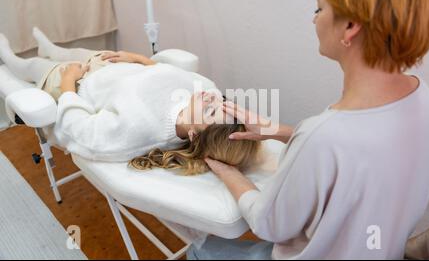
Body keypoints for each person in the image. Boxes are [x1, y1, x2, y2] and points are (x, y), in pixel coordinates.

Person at [188, 0, 429, 259]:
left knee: (199, 254)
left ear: (349, 27)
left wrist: (227, 171)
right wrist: (279, 131)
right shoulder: (422, 98)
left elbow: (269, 225)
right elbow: (357, 154)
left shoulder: (323, 137)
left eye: (319, 9)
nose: (314, 20)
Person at [0, 29, 260, 174]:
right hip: (109, 63)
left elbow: (82, 133)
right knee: (66, 52)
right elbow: (167, 73)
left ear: (193, 134)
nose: (211, 97)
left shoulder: (141, 129)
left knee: (31, 66)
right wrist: (136, 58)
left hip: (80, 81)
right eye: (222, 101)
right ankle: (52, 49)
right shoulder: (200, 91)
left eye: (212, 109)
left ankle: (10, 59)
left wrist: (69, 82)